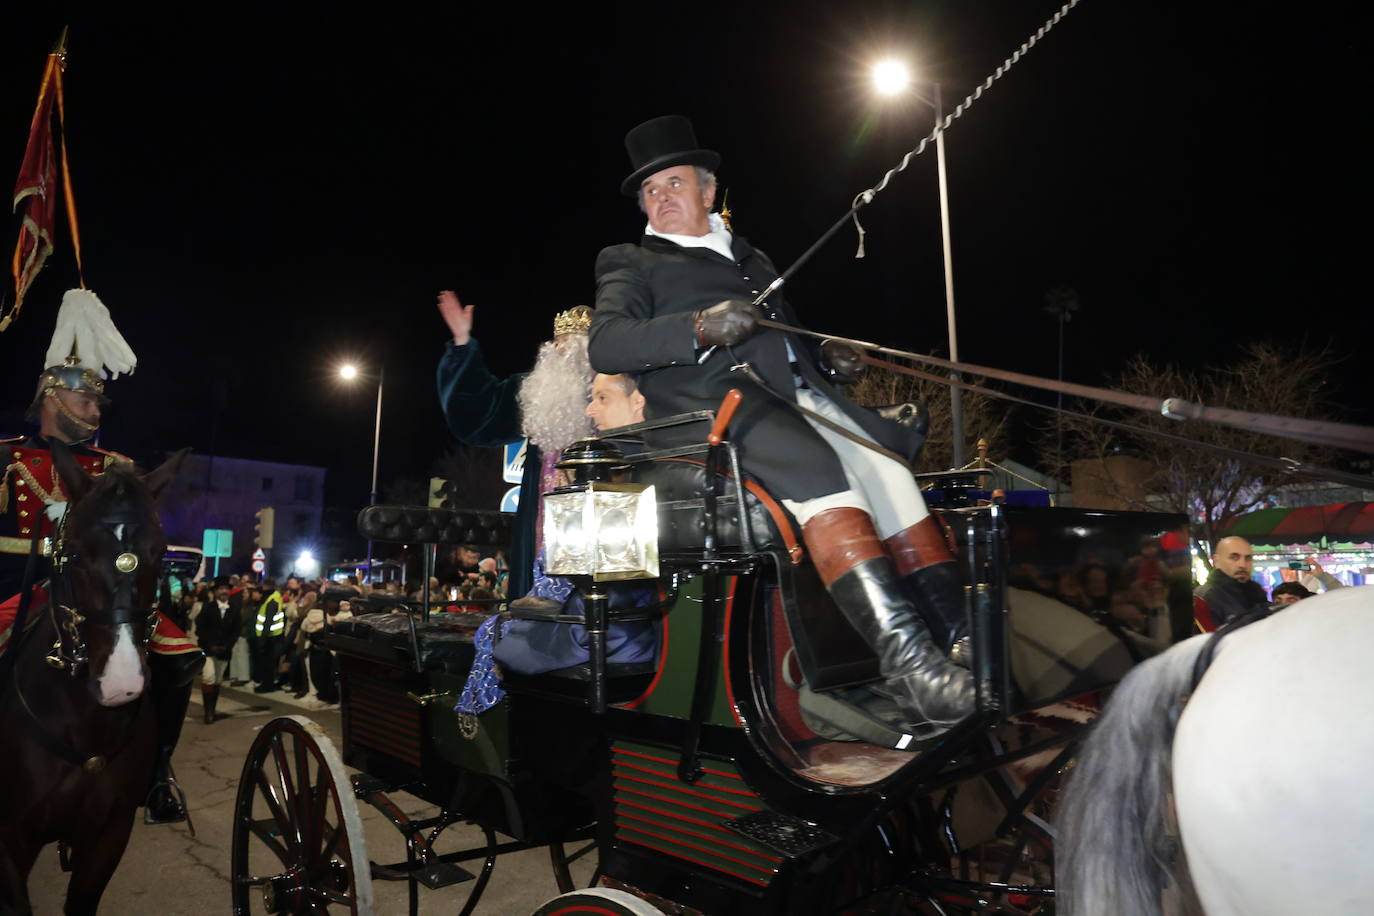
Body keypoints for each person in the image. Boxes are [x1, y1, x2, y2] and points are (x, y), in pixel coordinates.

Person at [588, 115, 972, 735]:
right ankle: (912, 669)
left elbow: (782, 337)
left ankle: (957, 644)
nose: (661, 198)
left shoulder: (751, 257)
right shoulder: (630, 260)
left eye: (673, 184)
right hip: (712, 413)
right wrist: (696, 328)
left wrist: (827, 356)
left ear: (708, 193)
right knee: (827, 473)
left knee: (888, 471)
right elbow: (606, 344)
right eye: (650, 190)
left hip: (791, 400)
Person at [436, 292, 596, 599]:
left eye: (570, 347)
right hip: (541, 521)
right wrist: (462, 344)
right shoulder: (537, 393)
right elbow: (479, 412)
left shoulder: (616, 392)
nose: (561, 354)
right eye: (557, 345)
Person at [1193, 536, 1269, 631]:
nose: (1243, 565)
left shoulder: (1256, 593)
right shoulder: (1206, 596)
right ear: (1216, 561)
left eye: (1248, 558)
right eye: (1234, 557)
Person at [195, 578, 242, 723]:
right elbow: (200, 629)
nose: (224, 592)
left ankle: (213, 709)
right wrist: (210, 645)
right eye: (221, 589)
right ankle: (208, 713)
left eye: (226, 589)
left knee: (217, 681)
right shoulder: (208, 607)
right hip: (209, 650)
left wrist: (227, 646)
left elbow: (236, 630)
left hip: (224, 650)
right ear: (215, 592)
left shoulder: (234, 608)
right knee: (208, 677)